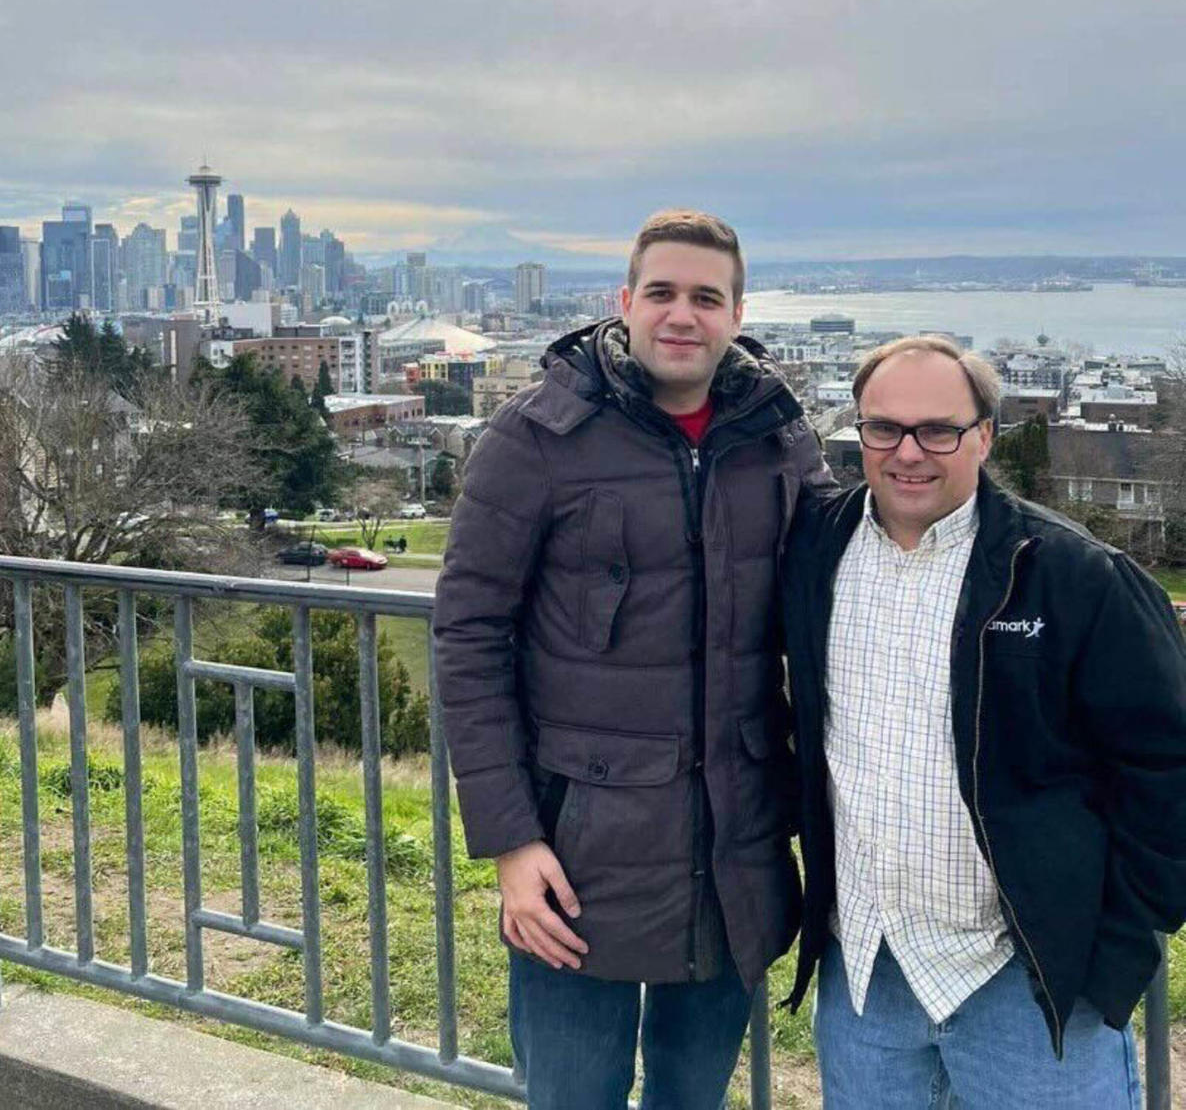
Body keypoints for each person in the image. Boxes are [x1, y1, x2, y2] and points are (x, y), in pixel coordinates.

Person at [433, 210, 832, 1110]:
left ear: (737, 311)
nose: (681, 314)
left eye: (705, 296)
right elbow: (468, 633)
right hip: (578, 858)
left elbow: (838, 579)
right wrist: (511, 840)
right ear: (624, 302)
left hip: (737, 848)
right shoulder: (536, 437)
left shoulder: (776, 435)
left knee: (692, 1098)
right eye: (662, 292)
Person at [780, 335, 1186, 1109]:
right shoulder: (813, 551)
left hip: (1030, 985)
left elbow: (1166, 769)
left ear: (985, 435)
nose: (909, 452)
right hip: (866, 972)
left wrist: (1111, 958)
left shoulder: (1072, 575)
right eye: (884, 428)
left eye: (939, 429)